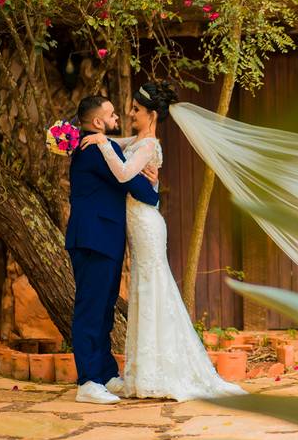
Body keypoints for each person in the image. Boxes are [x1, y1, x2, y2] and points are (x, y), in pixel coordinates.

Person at [79, 82, 245, 401]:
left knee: (153, 287)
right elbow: (124, 145)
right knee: (148, 287)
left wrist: (101, 143)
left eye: (136, 110)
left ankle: (160, 371)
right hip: (140, 222)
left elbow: (125, 174)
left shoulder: (148, 144)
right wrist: (103, 139)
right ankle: (148, 370)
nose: (130, 113)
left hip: (146, 224)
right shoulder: (140, 140)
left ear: (152, 115)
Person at [65, 96, 159, 404]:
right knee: (91, 310)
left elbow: (126, 146)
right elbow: (134, 186)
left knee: (104, 308)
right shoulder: (94, 151)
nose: (117, 117)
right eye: (111, 114)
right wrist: (152, 185)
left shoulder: (100, 144)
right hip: (93, 238)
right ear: (96, 123)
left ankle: (105, 374)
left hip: (104, 237)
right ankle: (88, 381)